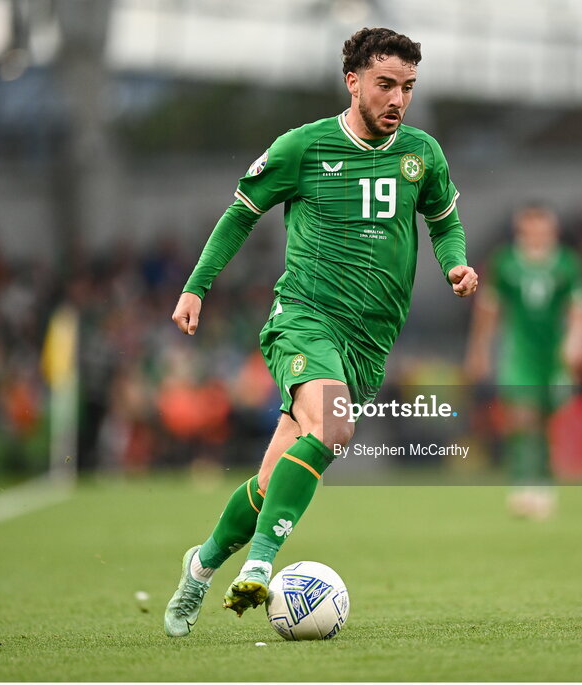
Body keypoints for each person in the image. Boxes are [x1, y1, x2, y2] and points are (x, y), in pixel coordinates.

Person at [164, 27, 478, 636]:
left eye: (409, 88)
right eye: (386, 85)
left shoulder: (421, 154)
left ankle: (200, 567)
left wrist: (455, 264)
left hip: (369, 342)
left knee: (269, 480)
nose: (398, 99)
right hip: (306, 319)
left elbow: (444, 224)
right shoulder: (303, 148)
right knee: (334, 428)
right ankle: (258, 565)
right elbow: (240, 215)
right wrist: (196, 286)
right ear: (352, 81)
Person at [465, 205, 582, 520]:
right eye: (529, 229)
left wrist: (576, 344)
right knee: (522, 416)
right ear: (520, 231)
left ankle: (544, 485)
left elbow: (581, 311)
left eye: (542, 229)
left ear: (552, 231)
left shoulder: (567, 264)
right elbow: (488, 310)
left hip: (553, 356)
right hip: (519, 353)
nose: (535, 235)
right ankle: (523, 486)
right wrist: (479, 348)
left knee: (545, 420)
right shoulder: (505, 263)